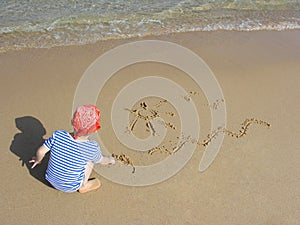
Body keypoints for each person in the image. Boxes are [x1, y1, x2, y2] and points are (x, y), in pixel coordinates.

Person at [30, 104, 115, 193]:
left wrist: (38, 160)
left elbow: (41, 151)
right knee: (91, 161)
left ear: (72, 121)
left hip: (49, 178)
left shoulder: (58, 135)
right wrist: (110, 160)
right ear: (95, 130)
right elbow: (101, 160)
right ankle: (83, 185)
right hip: (71, 187)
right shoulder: (91, 148)